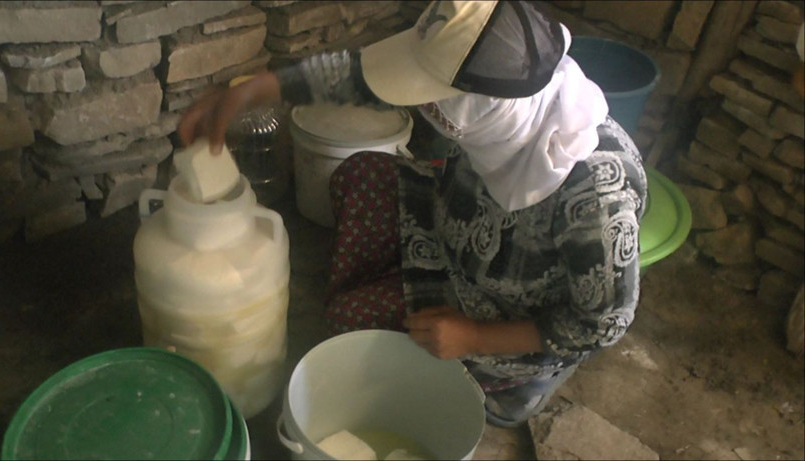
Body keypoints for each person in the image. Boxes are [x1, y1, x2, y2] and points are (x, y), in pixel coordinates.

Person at [178, 0, 647, 428]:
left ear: (481, 108)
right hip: (455, 229)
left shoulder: (595, 194)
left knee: (347, 322)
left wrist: (474, 336)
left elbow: (601, 322)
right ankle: (398, 296)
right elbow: (367, 79)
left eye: (429, 94)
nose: (417, 102)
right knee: (360, 173)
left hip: (503, 311)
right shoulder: (505, 100)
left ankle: (517, 381)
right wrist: (257, 90)